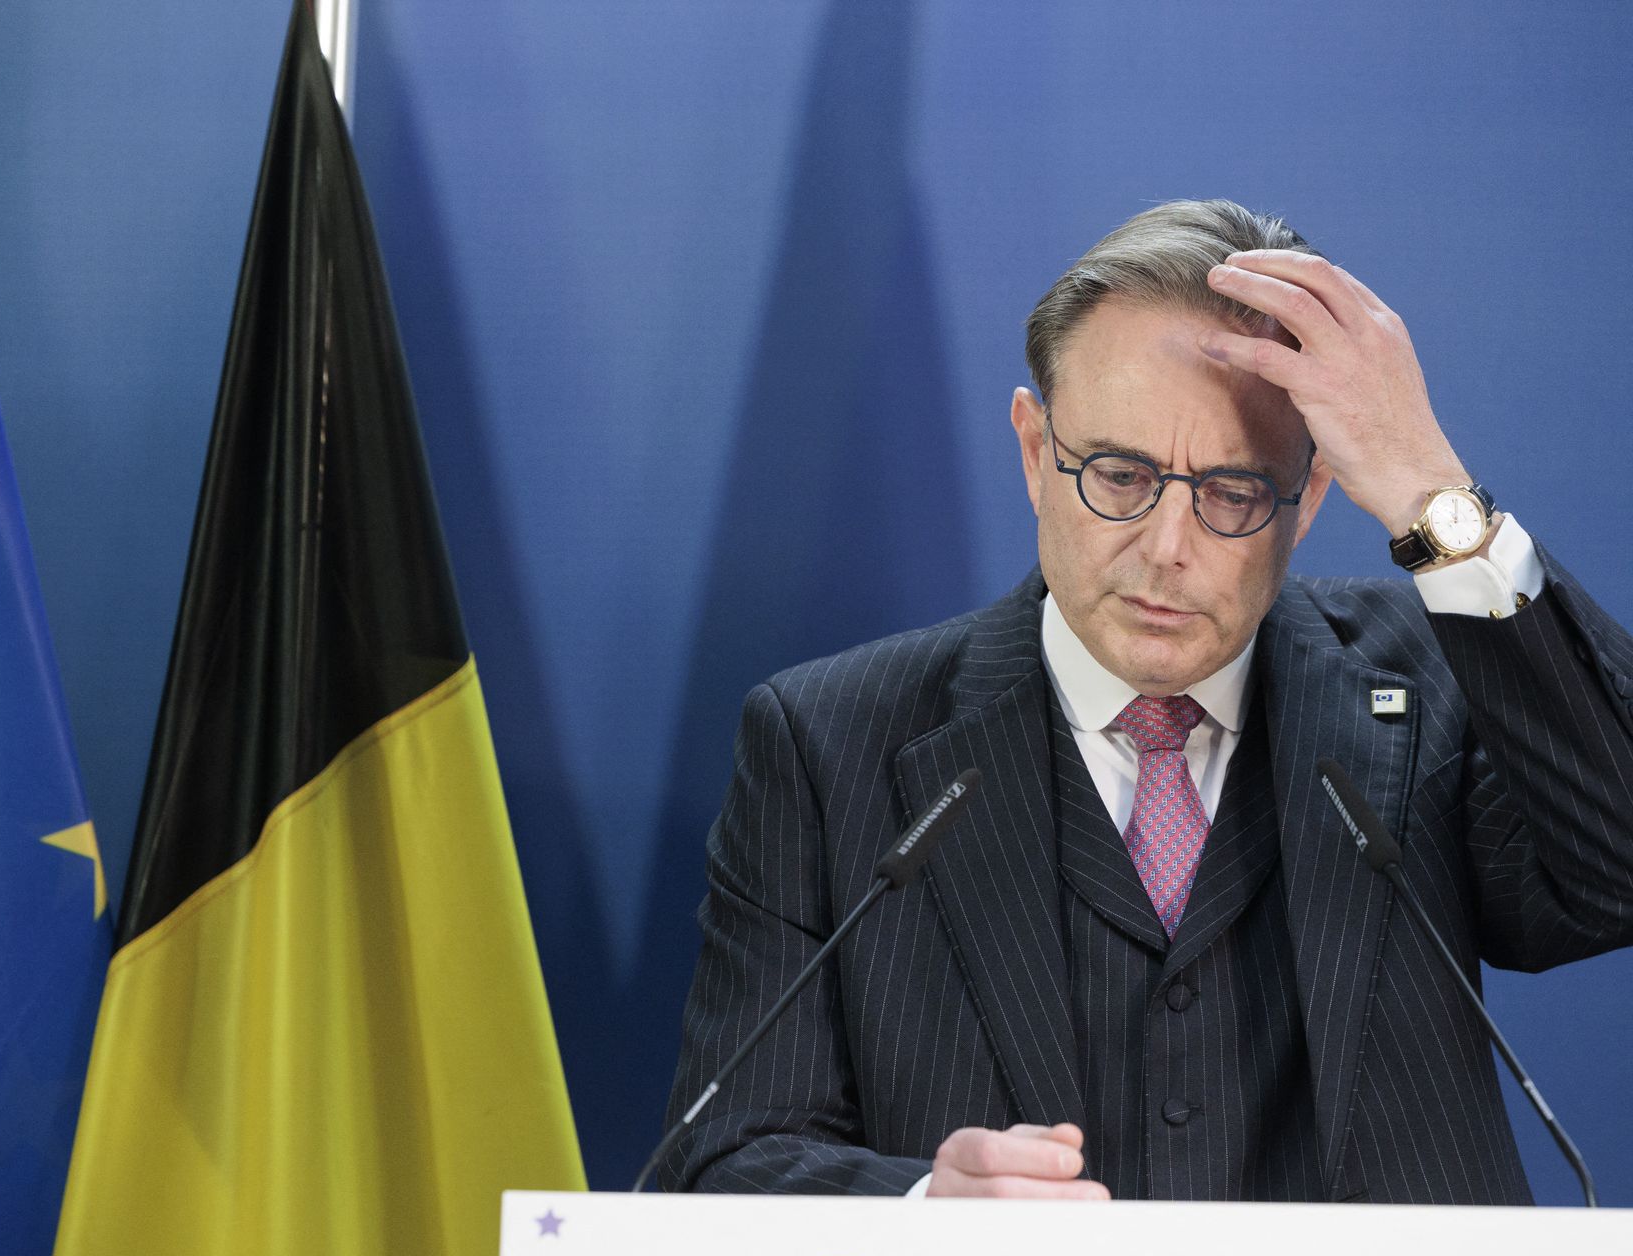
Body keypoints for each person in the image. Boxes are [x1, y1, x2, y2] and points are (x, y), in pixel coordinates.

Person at [661, 199, 1633, 1204]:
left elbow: (1618, 866)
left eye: (1232, 491)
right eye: (1118, 475)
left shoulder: (1435, 682)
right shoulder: (825, 741)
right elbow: (723, 1160)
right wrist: (917, 1215)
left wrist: (1434, 496)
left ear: (1306, 502)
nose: (1167, 547)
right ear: (1034, 451)